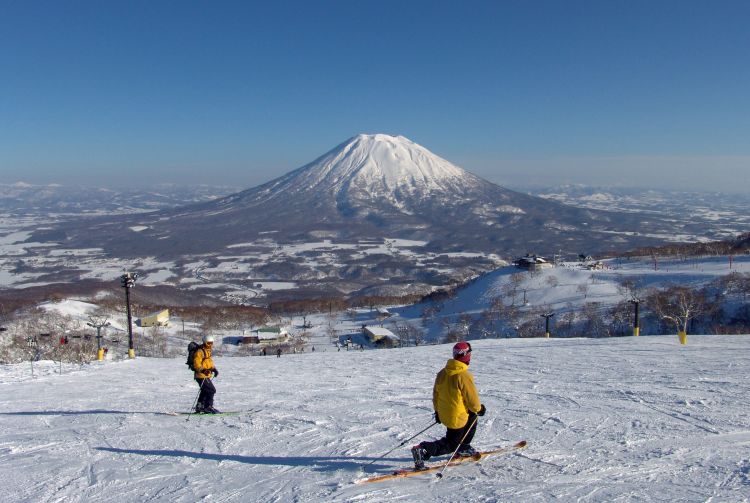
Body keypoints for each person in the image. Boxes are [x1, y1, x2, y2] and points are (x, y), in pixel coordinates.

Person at [411, 341, 486, 469]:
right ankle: (423, 450)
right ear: (466, 356)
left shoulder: (442, 373)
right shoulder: (463, 375)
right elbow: (472, 400)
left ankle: (463, 447)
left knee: (471, 417)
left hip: (445, 414)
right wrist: (480, 409)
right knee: (451, 444)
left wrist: (438, 412)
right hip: (457, 418)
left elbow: (436, 395)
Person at [193, 334, 220, 414]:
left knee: (205, 390)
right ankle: (208, 407)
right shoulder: (200, 351)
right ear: (204, 342)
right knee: (211, 390)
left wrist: (214, 369)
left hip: (205, 375)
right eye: (208, 343)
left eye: (211, 343)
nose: (210, 345)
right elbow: (196, 364)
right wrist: (203, 370)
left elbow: (208, 362)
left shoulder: (207, 351)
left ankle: (199, 406)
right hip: (201, 375)